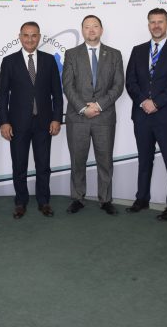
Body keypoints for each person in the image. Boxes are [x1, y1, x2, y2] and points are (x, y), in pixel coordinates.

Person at [0, 21, 63, 219]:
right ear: (20, 37)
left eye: (34, 35)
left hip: (44, 123)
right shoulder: (9, 61)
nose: (30, 39)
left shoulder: (49, 60)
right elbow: (3, 95)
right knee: (19, 165)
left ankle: (44, 202)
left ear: (39, 37)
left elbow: (57, 93)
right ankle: (20, 202)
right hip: (17, 124)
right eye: (26, 35)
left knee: (43, 165)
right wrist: (4, 122)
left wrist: (56, 118)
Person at [125, 8, 167, 221]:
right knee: (144, 160)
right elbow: (130, 81)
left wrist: (157, 103)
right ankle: (142, 199)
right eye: (152, 22)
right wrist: (144, 101)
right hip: (142, 116)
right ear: (148, 24)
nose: (156, 26)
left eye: (160, 21)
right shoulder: (138, 50)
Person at [62, 15, 124, 215]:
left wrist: (99, 105)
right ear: (82, 30)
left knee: (105, 161)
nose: (91, 30)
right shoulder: (71, 54)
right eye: (87, 27)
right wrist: (83, 108)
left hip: (104, 118)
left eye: (95, 26)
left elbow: (118, 85)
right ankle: (77, 198)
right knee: (77, 160)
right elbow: (67, 85)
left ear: (101, 30)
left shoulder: (114, 54)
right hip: (77, 117)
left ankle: (105, 199)